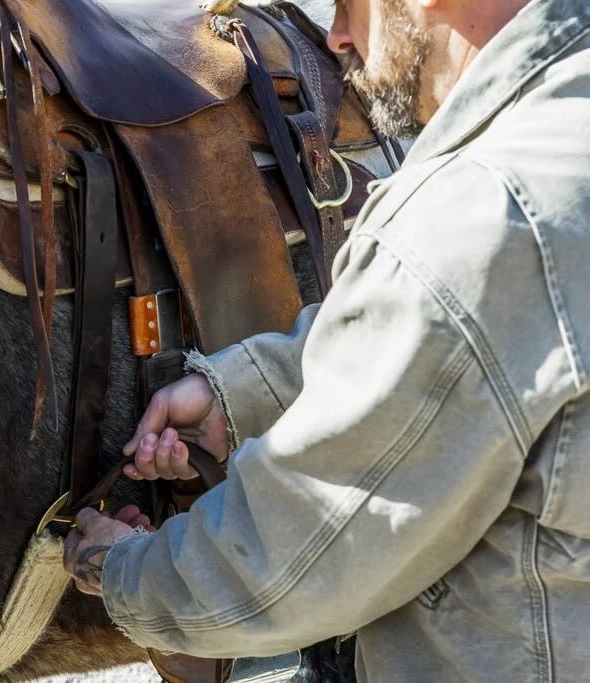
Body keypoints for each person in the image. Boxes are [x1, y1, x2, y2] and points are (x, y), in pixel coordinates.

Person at [62, 0, 590, 679]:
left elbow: (296, 561)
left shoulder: (484, 214)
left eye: (349, 4)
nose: (338, 34)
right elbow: (469, 348)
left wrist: (119, 567)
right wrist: (242, 394)